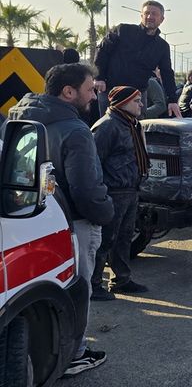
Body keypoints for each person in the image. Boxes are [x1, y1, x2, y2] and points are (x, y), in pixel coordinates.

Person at [7, 63, 113, 377]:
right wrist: (106, 213)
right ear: (68, 92)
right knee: (78, 288)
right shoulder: (76, 130)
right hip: (74, 224)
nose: (94, 96)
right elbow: (86, 189)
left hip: (28, 221)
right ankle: (74, 355)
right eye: (89, 89)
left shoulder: (17, 118)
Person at [90, 86, 150, 300]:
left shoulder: (131, 123)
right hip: (114, 192)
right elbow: (93, 162)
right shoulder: (107, 126)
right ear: (122, 103)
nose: (141, 104)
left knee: (124, 238)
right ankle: (94, 284)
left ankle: (121, 280)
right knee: (105, 239)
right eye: (136, 101)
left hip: (130, 189)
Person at [93, 0, 180, 118]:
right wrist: (99, 77)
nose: (150, 17)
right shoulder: (123, 30)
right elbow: (102, 50)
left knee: (137, 126)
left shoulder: (162, 46)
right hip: (111, 91)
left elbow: (167, 72)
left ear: (162, 19)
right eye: (147, 13)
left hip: (138, 95)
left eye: (154, 14)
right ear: (141, 15)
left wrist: (172, 100)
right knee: (108, 125)